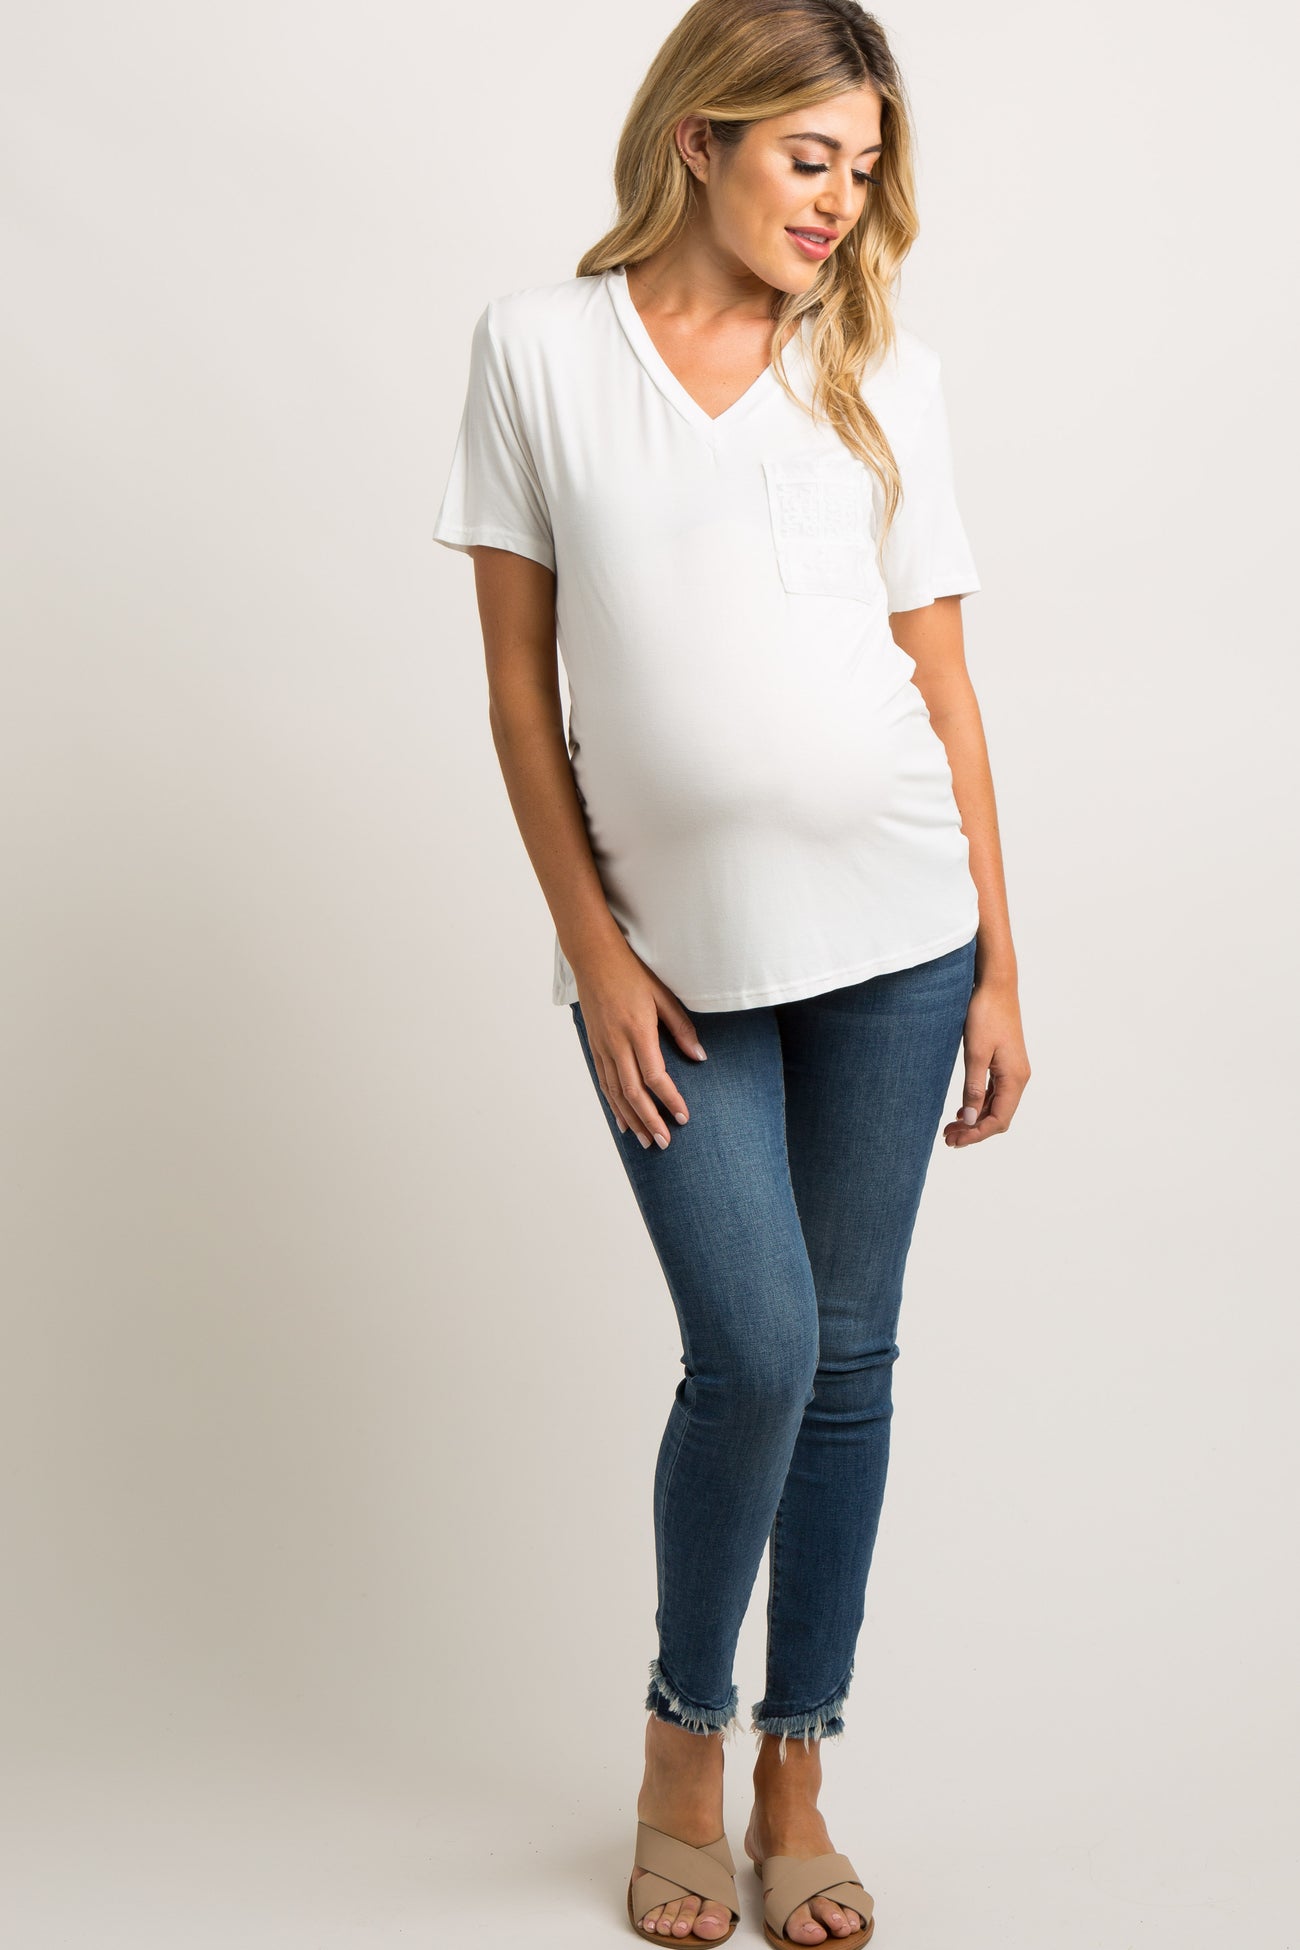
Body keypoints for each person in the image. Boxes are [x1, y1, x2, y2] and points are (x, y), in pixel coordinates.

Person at [432, 2, 1030, 1940]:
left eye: (862, 169)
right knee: (755, 1347)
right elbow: (517, 693)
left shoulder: (881, 372)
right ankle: (680, 1736)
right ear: (700, 137)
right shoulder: (538, 350)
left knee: (844, 1363)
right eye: (807, 157)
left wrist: (1000, 966)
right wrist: (591, 952)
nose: (839, 201)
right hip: (669, 968)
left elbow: (942, 684)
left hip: (900, 941)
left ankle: (796, 1766)